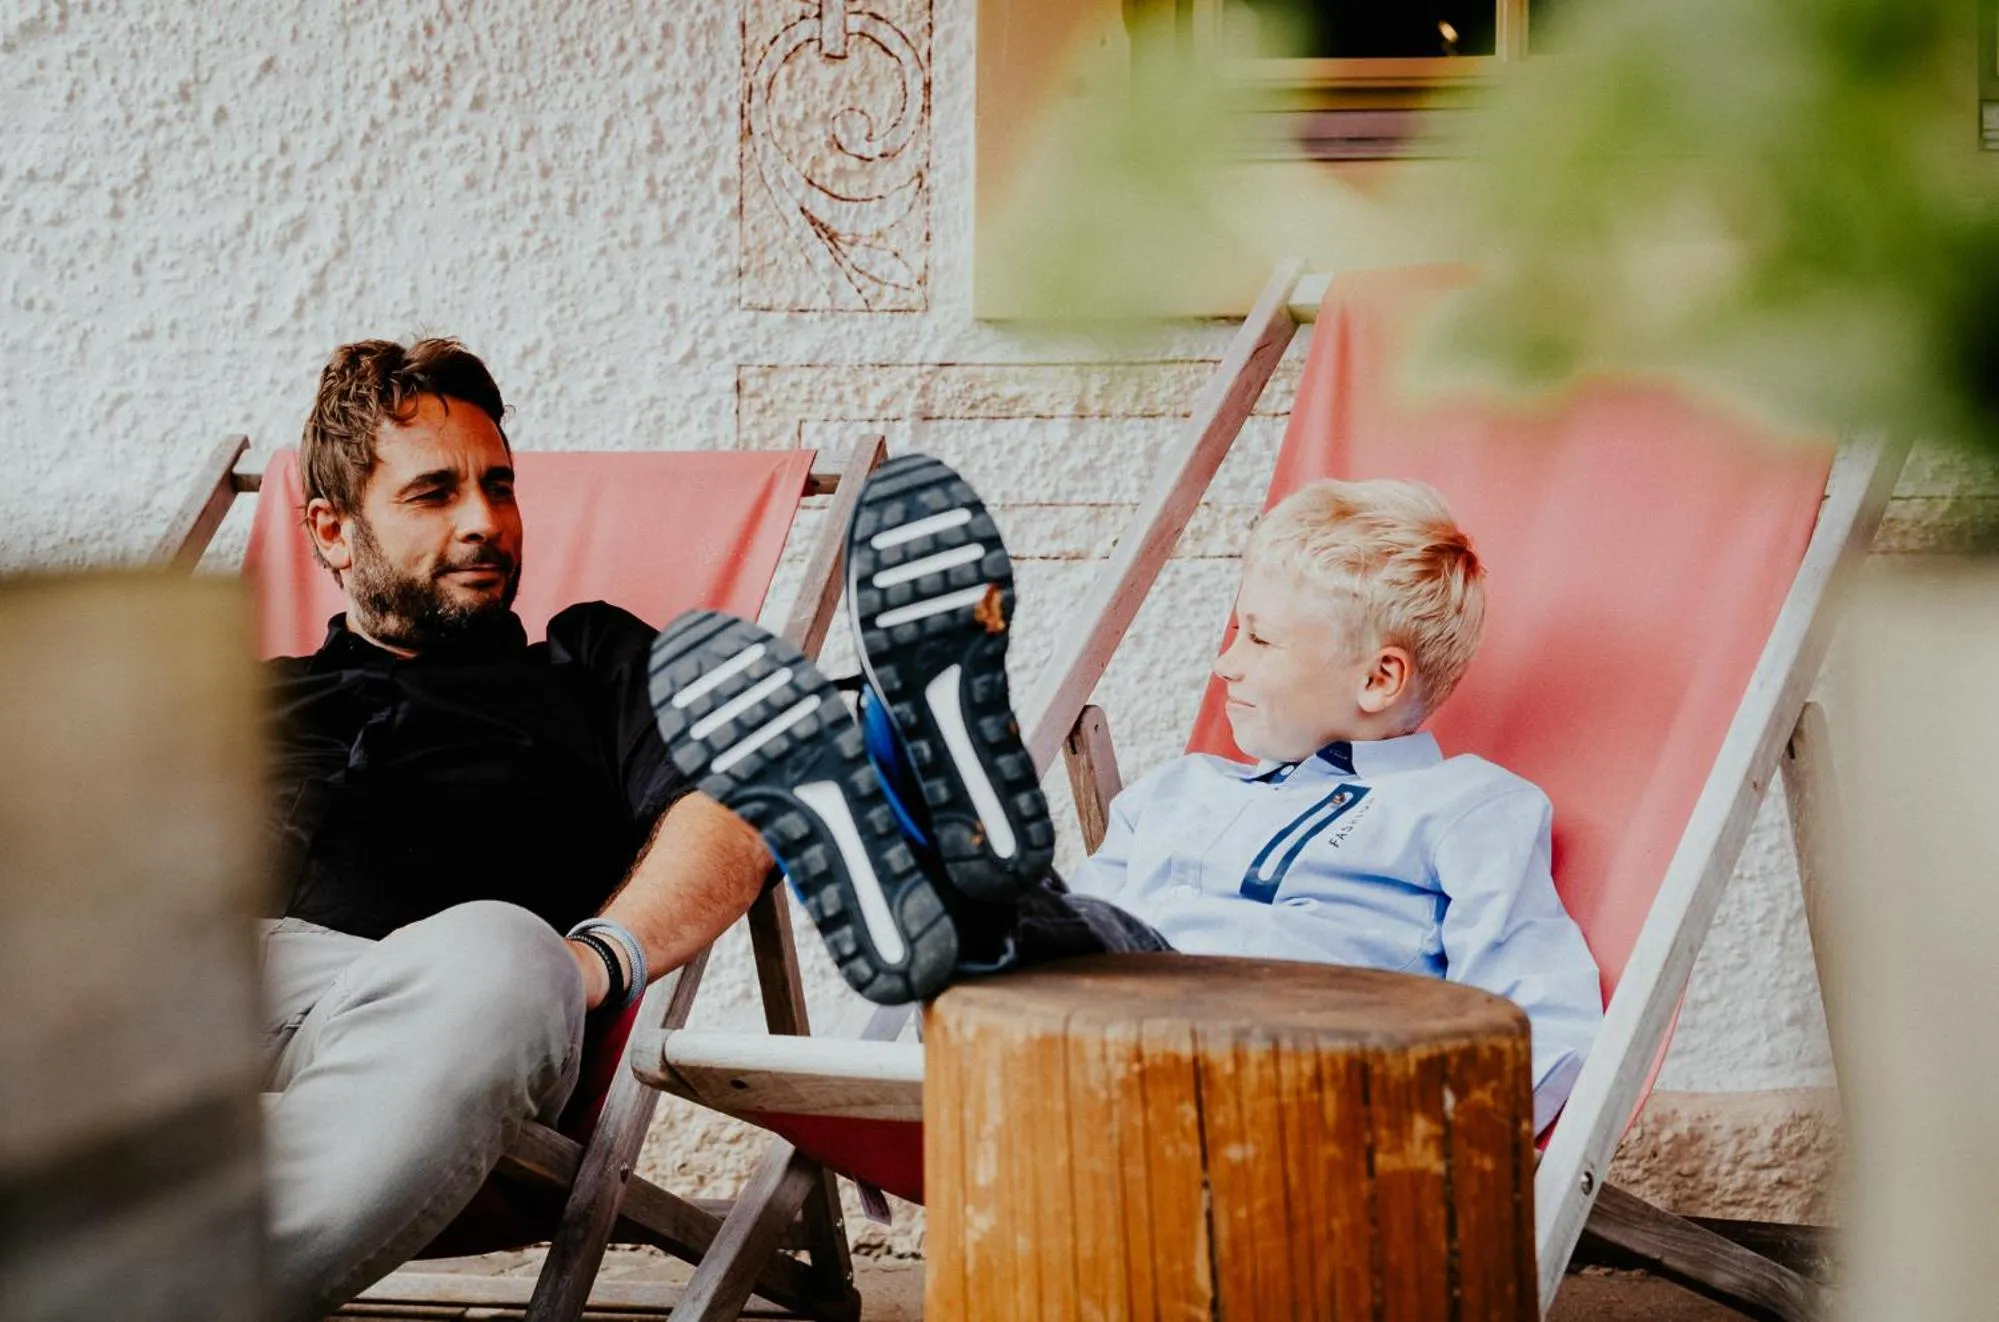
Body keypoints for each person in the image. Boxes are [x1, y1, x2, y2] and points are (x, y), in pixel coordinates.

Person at [649, 455, 1603, 1134]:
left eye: (1258, 639)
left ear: (1378, 679)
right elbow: (1090, 924)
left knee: (1055, 930)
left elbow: (1545, 1009)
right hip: (1107, 1044)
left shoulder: (1466, 808)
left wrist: (1456, 1142)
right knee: (1060, 934)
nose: (1225, 661)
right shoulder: (1186, 791)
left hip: (1286, 1064)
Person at [260, 338, 773, 1322]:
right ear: (332, 530)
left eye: (499, 486)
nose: (485, 522)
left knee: (500, 950)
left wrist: (591, 961)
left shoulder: (592, 669)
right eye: (434, 493)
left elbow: (740, 804)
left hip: (439, 1012)